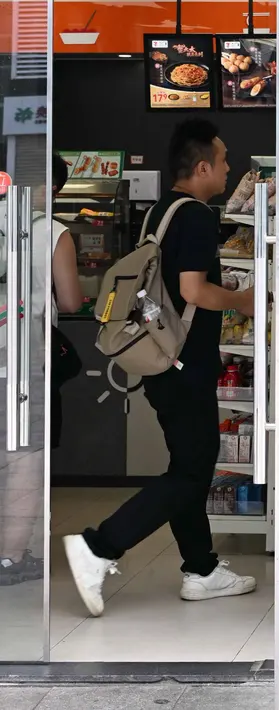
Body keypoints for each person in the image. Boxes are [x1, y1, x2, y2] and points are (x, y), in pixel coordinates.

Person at [62, 119, 257, 617]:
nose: (230, 168)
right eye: (225, 159)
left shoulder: (160, 213)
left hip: (162, 360)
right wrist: (245, 300)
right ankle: (100, 545)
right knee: (193, 472)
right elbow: (193, 291)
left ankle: (202, 569)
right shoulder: (194, 216)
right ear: (202, 167)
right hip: (183, 362)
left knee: (186, 466)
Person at [0, 153, 83, 586]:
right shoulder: (51, 231)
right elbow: (70, 302)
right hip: (21, 359)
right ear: (51, 188)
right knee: (23, 456)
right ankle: (10, 557)